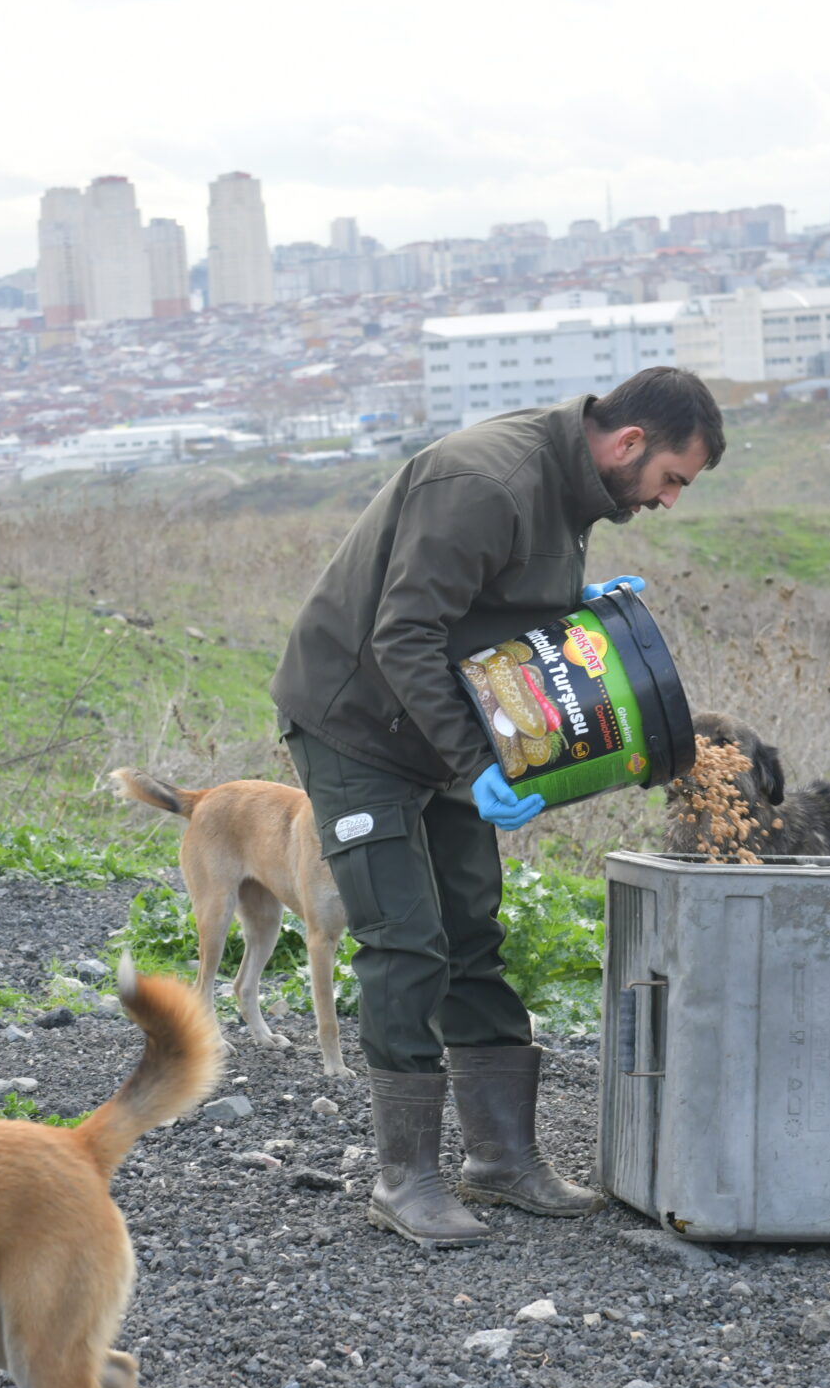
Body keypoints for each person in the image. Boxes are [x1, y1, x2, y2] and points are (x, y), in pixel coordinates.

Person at [271, 367, 726, 1247]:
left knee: (471, 929)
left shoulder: (578, 493)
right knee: (406, 937)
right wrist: (482, 761)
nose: (670, 500)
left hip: (442, 723)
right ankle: (404, 1178)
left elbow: (485, 608)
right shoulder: (488, 480)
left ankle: (502, 1162)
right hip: (357, 723)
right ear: (629, 443)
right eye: (673, 478)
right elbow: (401, 633)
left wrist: (575, 617)